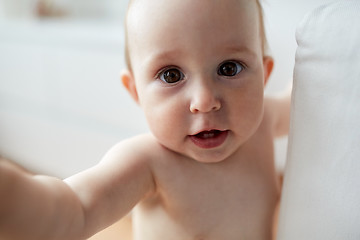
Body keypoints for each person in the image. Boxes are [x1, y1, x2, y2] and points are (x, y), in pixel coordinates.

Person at [0, 0, 291, 239]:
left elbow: (310, 96)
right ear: (136, 91)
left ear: (264, 76)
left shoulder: (264, 121)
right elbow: (77, 210)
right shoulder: (148, 162)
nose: (204, 101)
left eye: (229, 68)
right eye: (171, 75)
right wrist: (14, 198)